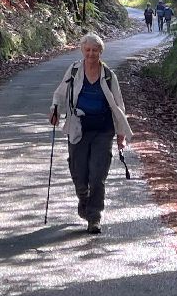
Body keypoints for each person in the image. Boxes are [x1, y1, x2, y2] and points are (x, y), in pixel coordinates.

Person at [49, 33, 131, 234]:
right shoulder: (74, 70)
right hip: (78, 128)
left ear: (101, 52)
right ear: (82, 50)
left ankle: (94, 217)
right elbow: (60, 92)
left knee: (97, 175)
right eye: (88, 50)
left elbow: (119, 105)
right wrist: (55, 110)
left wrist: (121, 134)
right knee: (79, 174)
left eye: (95, 50)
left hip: (103, 129)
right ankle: (84, 200)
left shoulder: (108, 75)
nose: (91, 54)